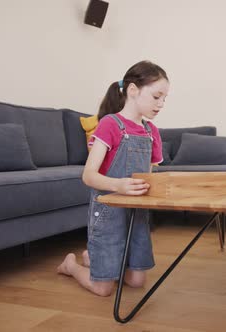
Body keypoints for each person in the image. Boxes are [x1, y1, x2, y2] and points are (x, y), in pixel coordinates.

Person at [57, 60, 169, 296]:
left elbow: (150, 174)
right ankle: (72, 265)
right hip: (108, 211)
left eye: (164, 99)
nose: (161, 104)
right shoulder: (110, 124)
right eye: (157, 96)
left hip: (136, 213)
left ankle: (95, 259)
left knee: (136, 281)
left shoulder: (152, 132)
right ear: (132, 90)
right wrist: (118, 185)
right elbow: (88, 176)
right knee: (103, 288)